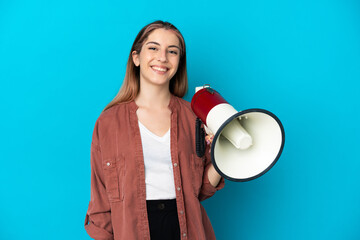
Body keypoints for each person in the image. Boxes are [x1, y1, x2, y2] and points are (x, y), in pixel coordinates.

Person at [84, 20, 225, 240]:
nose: (162, 58)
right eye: (153, 48)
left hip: (188, 230)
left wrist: (222, 156)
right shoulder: (109, 122)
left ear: (179, 62)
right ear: (136, 58)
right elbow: (100, 203)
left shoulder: (194, 118)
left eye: (172, 51)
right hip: (132, 231)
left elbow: (202, 190)